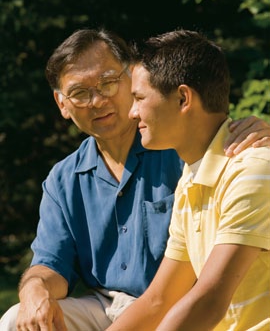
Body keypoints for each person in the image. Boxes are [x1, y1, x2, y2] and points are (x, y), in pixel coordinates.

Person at [1, 29, 269, 331]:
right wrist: (32, 290)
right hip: (113, 307)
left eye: (108, 83)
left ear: (130, 77)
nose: (99, 101)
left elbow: (201, 298)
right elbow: (53, 264)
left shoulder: (187, 149)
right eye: (80, 92)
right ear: (62, 104)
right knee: (14, 321)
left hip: (186, 308)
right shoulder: (64, 179)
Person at [106, 29, 270, 331]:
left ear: (183, 98)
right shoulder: (190, 180)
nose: (131, 113)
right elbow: (159, 299)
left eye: (139, 98)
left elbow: (209, 299)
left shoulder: (255, 170)